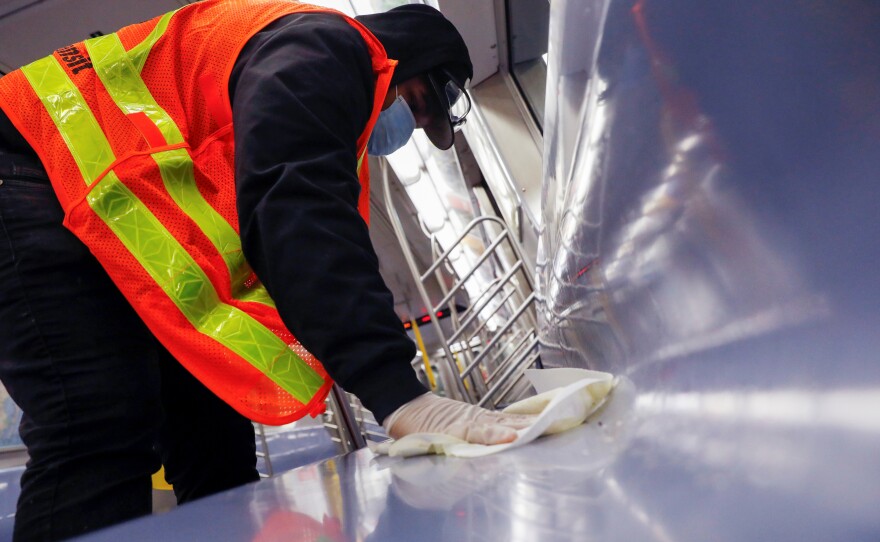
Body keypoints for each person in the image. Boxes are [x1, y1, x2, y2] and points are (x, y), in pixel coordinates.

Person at [0, 2, 533, 540]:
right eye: (418, 104)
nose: (414, 125)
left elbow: (270, 229)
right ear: (402, 59)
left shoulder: (304, 81)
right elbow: (298, 215)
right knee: (96, 418)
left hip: (81, 195)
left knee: (207, 415)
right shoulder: (324, 48)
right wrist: (397, 393)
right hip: (23, 164)